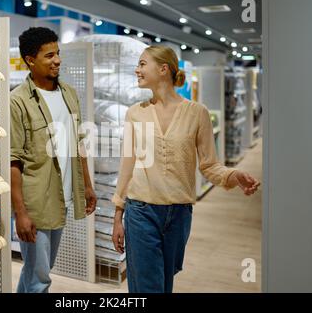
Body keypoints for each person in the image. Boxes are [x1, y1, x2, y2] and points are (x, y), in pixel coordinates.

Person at [111, 45, 260, 293]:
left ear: (163, 69)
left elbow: (209, 165)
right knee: (148, 288)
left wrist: (233, 175)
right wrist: (118, 215)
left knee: (165, 283)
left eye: (142, 64)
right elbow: (128, 163)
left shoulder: (196, 113)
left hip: (179, 214)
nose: (137, 70)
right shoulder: (135, 114)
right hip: (141, 211)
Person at [10, 27, 97, 293]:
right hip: (36, 202)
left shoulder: (68, 93)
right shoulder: (18, 101)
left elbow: (78, 142)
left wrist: (88, 185)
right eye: (49, 55)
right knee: (40, 279)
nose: (57, 60)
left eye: (57, 53)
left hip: (63, 197)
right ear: (30, 60)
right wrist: (20, 213)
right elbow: (13, 161)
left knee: (37, 272)